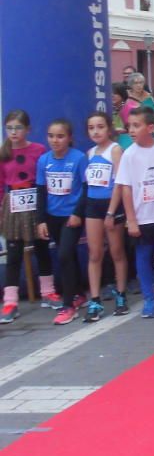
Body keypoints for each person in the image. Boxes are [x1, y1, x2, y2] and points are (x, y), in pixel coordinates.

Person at [117, 106, 154, 319]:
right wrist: (131, 219)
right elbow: (126, 188)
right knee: (143, 257)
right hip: (141, 217)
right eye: (129, 126)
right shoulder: (129, 155)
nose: (131, 130)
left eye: (136, 125)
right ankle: (148, 298)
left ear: (151, 127)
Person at [0, 112, 56, 324]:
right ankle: (10, 302)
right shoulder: (3, 153)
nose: (14, 132)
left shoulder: (39, 151)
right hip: (13, 204)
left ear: (28, 129)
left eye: (18, 128)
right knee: (14, 254)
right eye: (10, 128)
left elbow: (44, 179)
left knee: (42, 249)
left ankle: (48, 292)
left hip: (35, 203)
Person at [35, 119, 87, 324]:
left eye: (60, 136)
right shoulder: (44, 160)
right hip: (52, 216)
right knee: (69, 255)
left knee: (64, 254)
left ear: (69, 138)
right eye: (51, 136)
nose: (55, 140)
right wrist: (41, 220)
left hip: (71, 216)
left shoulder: (79, 158)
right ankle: (80, 293)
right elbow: (41, 191)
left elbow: (86, 188)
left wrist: (77, 213)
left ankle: (68, 306)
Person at [83, 112, 129, 321]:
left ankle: (121, 294)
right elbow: (88, 185)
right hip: (93, 206)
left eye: (100, 127)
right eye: (92, 128)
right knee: (94, 254)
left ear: (109, 128)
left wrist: (111, 211)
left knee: (116, 252)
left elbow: (119, 182)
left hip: (112, 205)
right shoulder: (90, 152)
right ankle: (95, 299)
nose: (96, 131)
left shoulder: (115, 150)